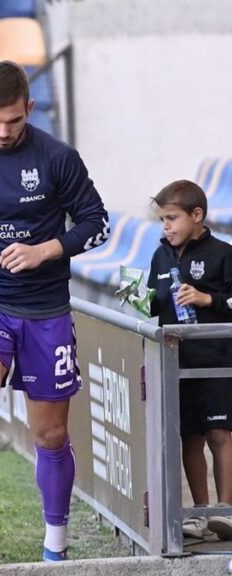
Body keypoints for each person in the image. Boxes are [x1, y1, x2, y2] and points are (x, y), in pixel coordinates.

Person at [0, 61, 109, 566]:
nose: (2, 132)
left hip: (45, 308)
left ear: (30, 110)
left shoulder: (58, 158)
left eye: (13, 121)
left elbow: (97, 224)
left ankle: (56, 541)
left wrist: (46, 249)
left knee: (51, 434)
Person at [144, 180, 232, 540]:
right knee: (190, 436)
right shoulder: (161, 255)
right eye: (163, 219)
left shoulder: (223, 254)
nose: (166, 226)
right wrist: (136, 299)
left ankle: (224, 511)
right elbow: (154, 301)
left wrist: (207, 299)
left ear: (197, 216)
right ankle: (198, 513)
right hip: (176, 362)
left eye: (172, 218)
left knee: (220, 433)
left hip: (217, 360)